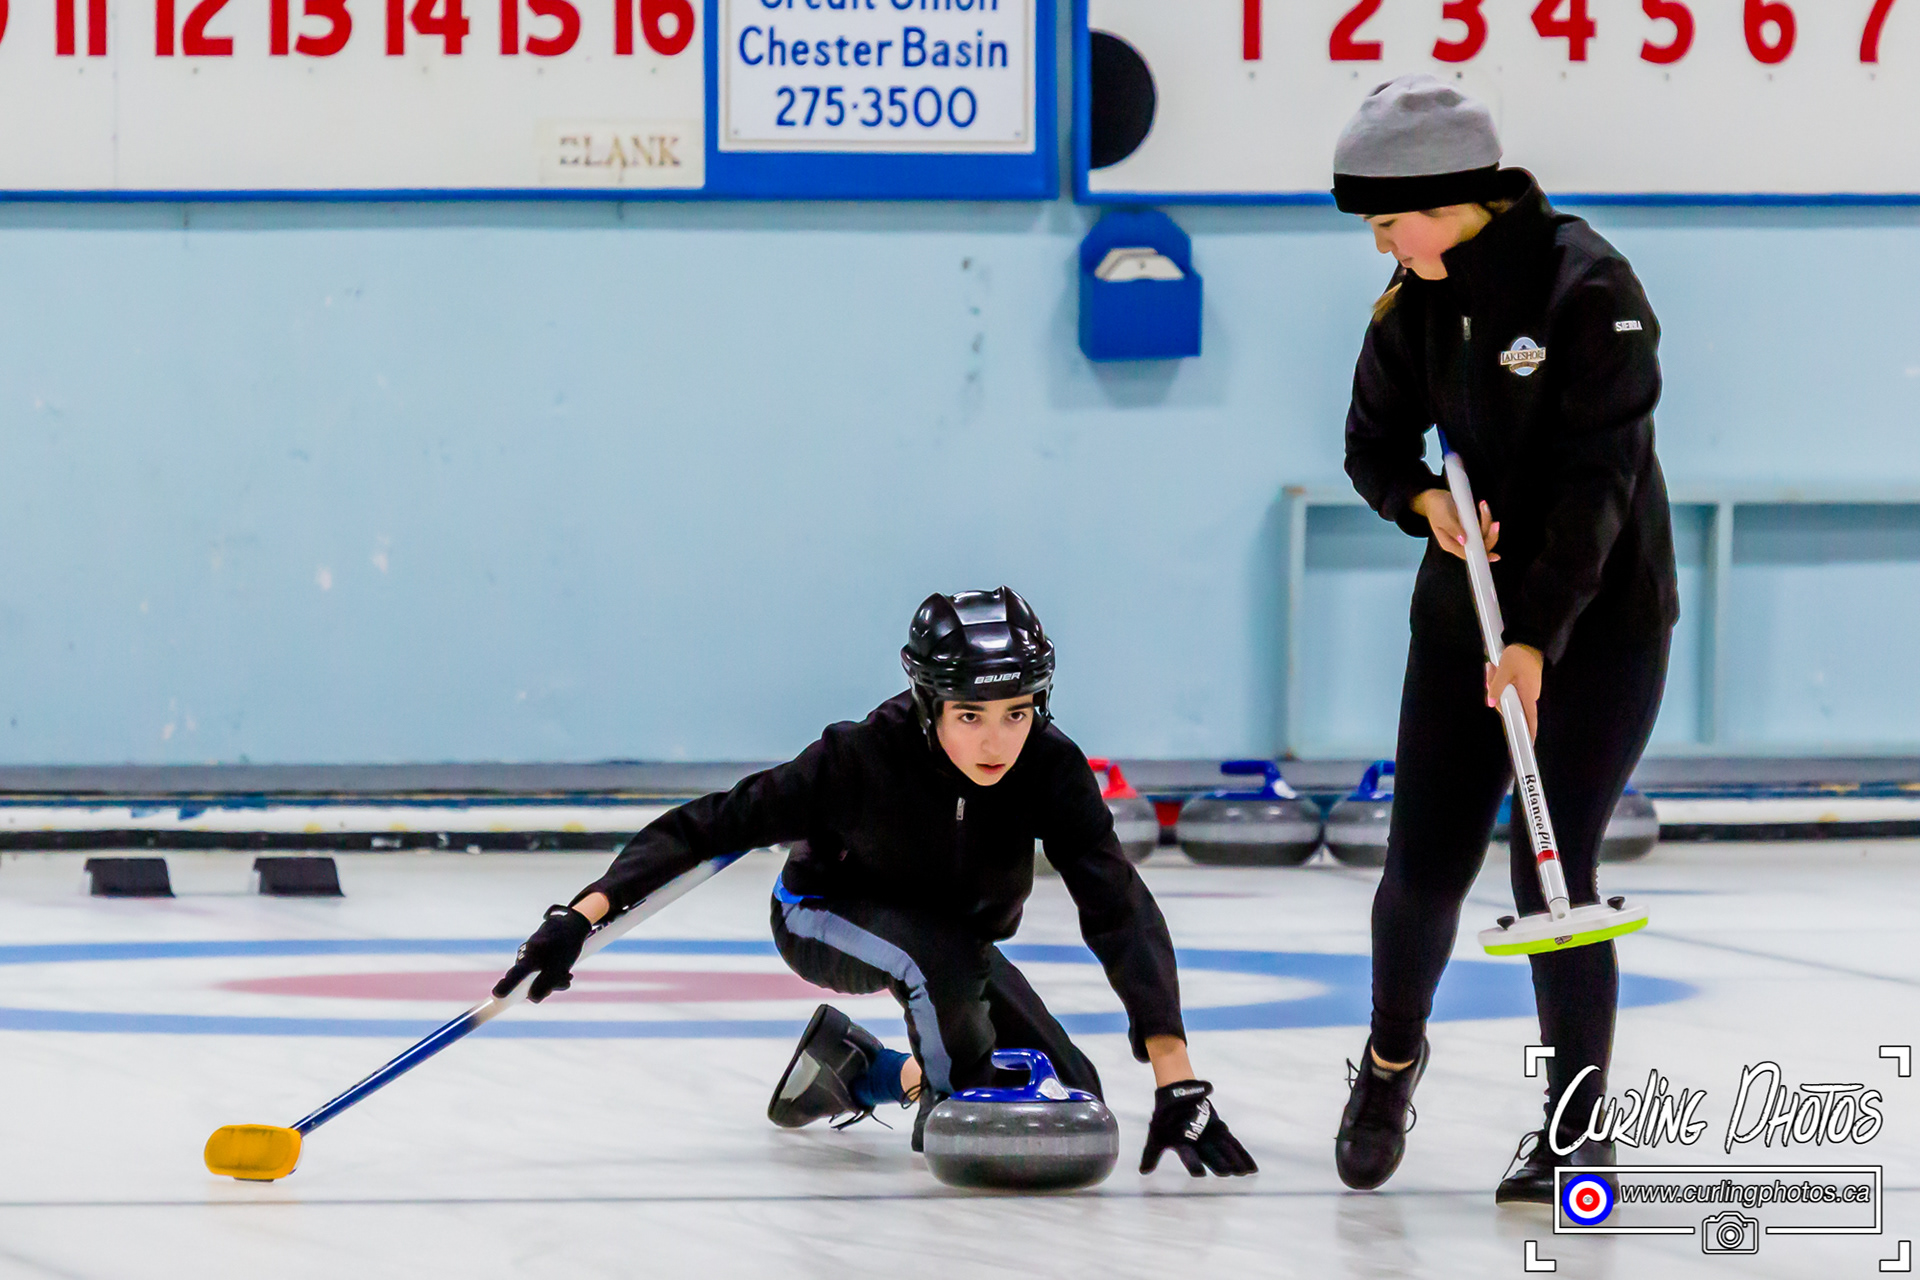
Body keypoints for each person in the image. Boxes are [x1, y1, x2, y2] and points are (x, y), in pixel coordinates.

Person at [493, 587, 1256, 1180]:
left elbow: (1118, 907)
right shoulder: (859, 759)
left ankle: (861, 1070)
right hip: (824, 913)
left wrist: (1176, 1079)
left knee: (1070, 1087)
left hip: (949, 936)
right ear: (929, 705)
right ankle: (944, 1101)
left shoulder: (1049, 768)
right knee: (950, 997)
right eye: (971, 715)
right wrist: (578, 916)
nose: (998, 741)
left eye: (1018, 713)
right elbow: (702, 827)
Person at [1328, 76, 1679, 1204]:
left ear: (1454, 194)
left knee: (1553, 866)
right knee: (1422, 865)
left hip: (1598, 622)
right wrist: (1422, 503)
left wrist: (1535, 635)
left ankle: (1577, 1131)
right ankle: (1388, 1062)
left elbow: (1599, 484)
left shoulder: (1592, 288)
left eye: (1390, 219)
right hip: (1463, 617)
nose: (1382, 243)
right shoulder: (1414, 297)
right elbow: (1372, 443)